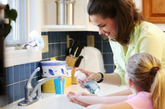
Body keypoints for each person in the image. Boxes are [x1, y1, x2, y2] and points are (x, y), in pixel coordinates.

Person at [73, 0, 165, 99]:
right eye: (97, 26)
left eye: (102, 25)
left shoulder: (148, 36)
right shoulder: (115, 38)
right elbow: (122, 76)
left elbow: (145, 89)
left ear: (119, 18)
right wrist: (97, 76)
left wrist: (99, 100)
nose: (100, 32)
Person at [67, 53, 165, 109]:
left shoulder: (142, 100)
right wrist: (81, 98)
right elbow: (105, 101)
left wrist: (89, 105)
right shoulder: (150, 95)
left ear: (130, 81)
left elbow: (101, 108)